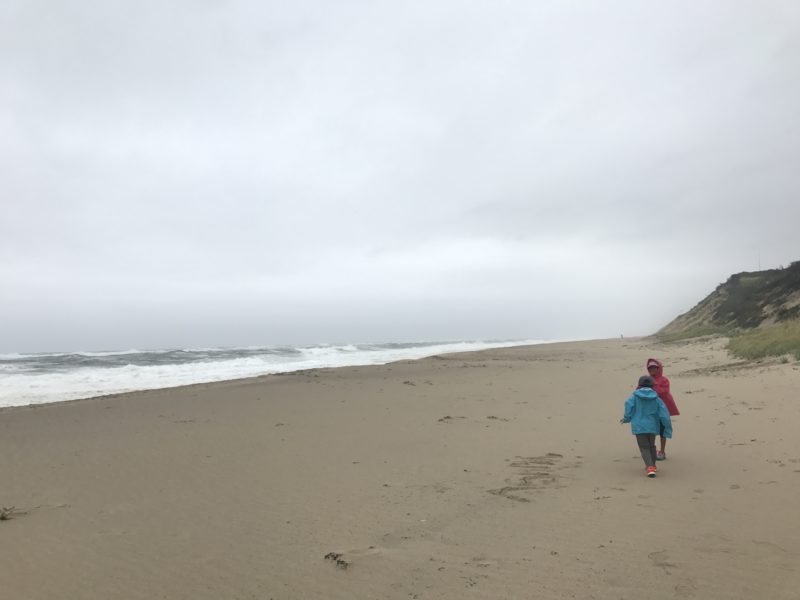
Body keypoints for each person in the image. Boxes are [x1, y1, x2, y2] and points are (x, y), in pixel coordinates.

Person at [621, 375, 673, 478]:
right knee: (651, 445)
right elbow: (664, 415)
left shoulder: (634, 397)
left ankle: (650, 467)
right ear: (652, 386)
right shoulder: (656, 398)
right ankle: (653, 465)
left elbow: (628, 406)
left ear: (639, 386)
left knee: (644, 447)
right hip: (652, 426)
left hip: (639, 426)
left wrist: (626, 419)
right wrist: (667, 426)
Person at [646, 358, 679, 460]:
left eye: (654, 367)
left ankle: (662, 451)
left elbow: (663, 392)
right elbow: (640, 390)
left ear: (658, 368)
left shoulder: (664, 380)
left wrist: (654, 384)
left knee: (662, 430)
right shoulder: (647, 379)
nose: (652, 369)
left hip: (663, 409)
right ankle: (652, 450)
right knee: (650, 430)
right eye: (650, 368)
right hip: (651, 409)